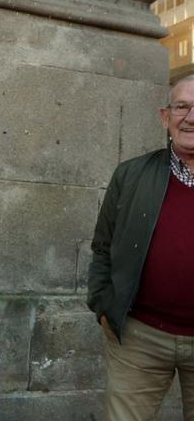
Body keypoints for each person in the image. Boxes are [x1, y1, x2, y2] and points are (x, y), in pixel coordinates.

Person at [88, 75, 194, 419]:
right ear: (166, 117)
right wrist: (103, 303)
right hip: (139, 336)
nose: (190, 117)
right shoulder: (130, 175)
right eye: (182, 106)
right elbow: (103, 246)